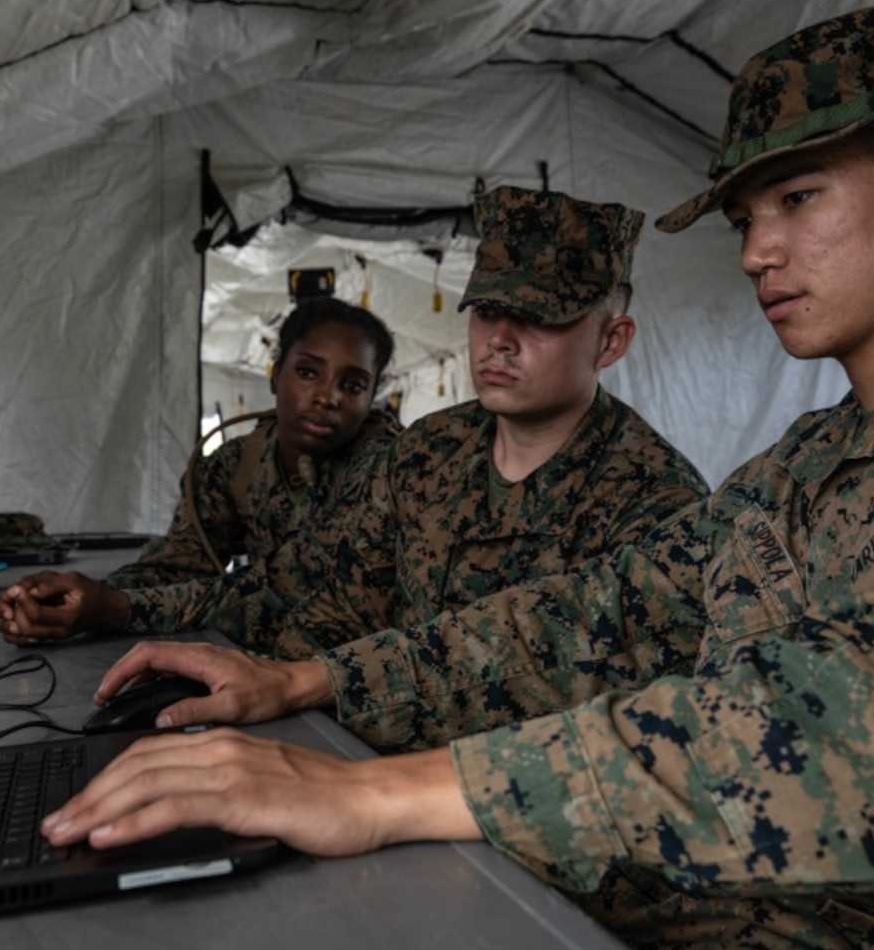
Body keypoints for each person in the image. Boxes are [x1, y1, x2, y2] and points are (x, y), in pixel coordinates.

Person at [41, 5, 874, 950]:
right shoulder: (797, 469)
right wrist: (308, 685)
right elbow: (578, 622)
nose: (754, 251)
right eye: (746, 212)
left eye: (796, 199)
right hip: (746, 913)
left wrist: (387, 790)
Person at [101, 185, 709, 749]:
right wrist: (255, 687)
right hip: (360, 766)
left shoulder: (658, 502)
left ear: (611, 341)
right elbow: (327, 601)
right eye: (487, 309)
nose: (499, 338)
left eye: (540, 317)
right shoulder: (429, 451)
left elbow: (593, 713)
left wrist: (307, 686)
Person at [0, 296, 399, 654]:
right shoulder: (236, 464)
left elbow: (282, 595)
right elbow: (179, 565)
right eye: (309, 372)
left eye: (352, 384)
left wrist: (113, 608)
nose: (328, 397)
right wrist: (70, 599)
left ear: (371, 397)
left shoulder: (388, 467)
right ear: (275, 375)